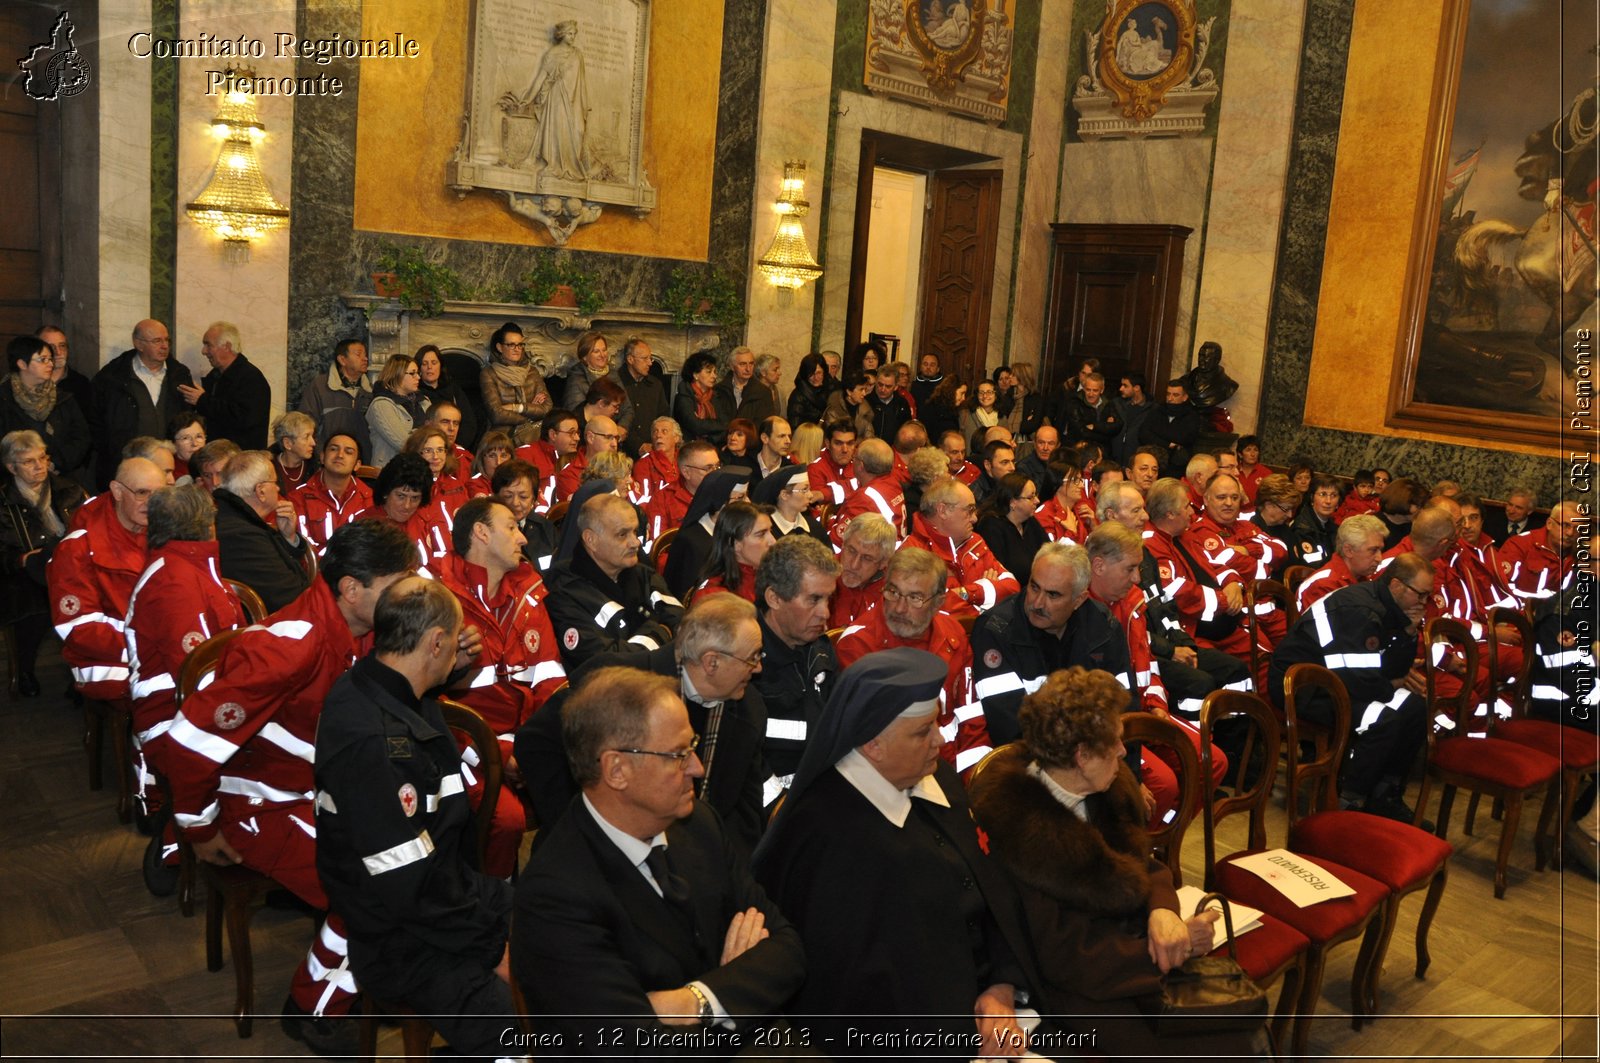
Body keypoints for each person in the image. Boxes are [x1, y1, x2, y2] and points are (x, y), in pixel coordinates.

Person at [159, 521, 454, 1053]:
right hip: (260, 802)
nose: (408, 595)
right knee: (378, 886)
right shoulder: (290, 648)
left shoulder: (360, 628)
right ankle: (313, 1005)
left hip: (316, 788)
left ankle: (380, 969)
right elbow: (185, 745)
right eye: (397, 584)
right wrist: (198, 828)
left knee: (417, 856)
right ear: (351, 589)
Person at [754, 648, 1037, 1058]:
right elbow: (851, 991)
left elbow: (993, 891)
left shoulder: (934, 776)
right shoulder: (825, 833)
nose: (939, 741)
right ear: (873, 745)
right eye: (923, 732)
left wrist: (1001, 986)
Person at [513, 665, 804, 1053]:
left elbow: (787, 951)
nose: (697, 768)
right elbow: (636, 1049)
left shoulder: (699, 824)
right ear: (617, 769)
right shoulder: (556, 895)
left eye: (693, 746)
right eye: (678, 755)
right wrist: (735, 987)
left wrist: (694, 1001)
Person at [967, 666, 1251, 1057]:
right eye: (1115, 742)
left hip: (1126, 958)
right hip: (1081, 987)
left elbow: (1142, 866)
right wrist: (1175, 948)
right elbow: (1067, 957)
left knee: (1228, 1035)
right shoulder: (1021, 832)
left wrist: (1163, 912)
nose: (1123, 751)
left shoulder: (1105, 790)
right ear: (1082, 756)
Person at [313, 576, 514, 1059]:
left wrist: (454, 665)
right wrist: (492, 947)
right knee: (525, 1027)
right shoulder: (375, 743)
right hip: (404, 941)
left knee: (566, 918)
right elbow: (409, 888)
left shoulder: (380, 685)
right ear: (435, 642)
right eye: (453, 643)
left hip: (446, 896)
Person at [124, 484, 246, 891]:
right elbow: (196, 677)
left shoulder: (185, 567)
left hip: (194, 707)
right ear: (205, 525)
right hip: (173, 721)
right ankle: (208, 843)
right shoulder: (175, 581)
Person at [438, 497, 566, 876]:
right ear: (480, 533)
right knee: (507, 820)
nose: (524, 538)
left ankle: (550, 902)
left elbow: (549, 677)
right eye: (511, 527)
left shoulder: (527, 592)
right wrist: (500, 751)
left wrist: (544, 742)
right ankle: (492, 913)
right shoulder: (439, 598)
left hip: (527, 741)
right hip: (465, 746)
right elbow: (428, 700)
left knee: (588, 789)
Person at [1270, 553, 1435, 821]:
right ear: (1396, 585)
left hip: (1341, 681)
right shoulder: (1360, 611)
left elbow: (1394, 671)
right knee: (1383, 721)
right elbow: (1358, 681)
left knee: (1415, 707)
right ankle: (1348, 803)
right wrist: (1391, 684)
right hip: (1305, 687)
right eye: (1421, 594)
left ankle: (1384, 794)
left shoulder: (1392, 607)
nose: (1424, 602)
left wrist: (1409, 632)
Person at [834, 548, 990, 775]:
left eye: (915, 597)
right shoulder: (858, 647)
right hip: (899, 774)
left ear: (938, 603)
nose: (899, 608)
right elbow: (881, 743)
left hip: (953, 768)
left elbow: (971, 714)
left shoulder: (952, 633)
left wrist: (974, 780)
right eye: (893, 592)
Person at [48, 457, 163, 702]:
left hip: (153, 644)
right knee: (176, 691)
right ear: (118, 491)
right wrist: (149, 644)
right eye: (142, 493)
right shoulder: (78, 546)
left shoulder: (163, 530)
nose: (152, 503)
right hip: (106, 657)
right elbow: (79, 628)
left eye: (159, 494)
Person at [547, 487, 683, 668]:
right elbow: (603, 661)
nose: (635, 542)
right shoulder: (563, 589)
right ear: (591, 540)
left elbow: (684, 625)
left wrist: (637, 644)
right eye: (622, 534)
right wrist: (660, 631)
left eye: (635, 532)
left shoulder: (642, 573)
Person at [752, 535, 840, 804]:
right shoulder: (744, 666)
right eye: (813, 599)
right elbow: (743, 765)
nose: (825, 613)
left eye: (828, 599)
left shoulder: (819, 649)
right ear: (774, 598)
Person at [0, 429, 86, 695]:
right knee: (36, 606)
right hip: (25, 573)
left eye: (42, 457)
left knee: (89, 601)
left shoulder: (70, 489)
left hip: (70, 566)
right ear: (11, 467)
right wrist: (18, 559)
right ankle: (24, 670)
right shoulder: (4, 502)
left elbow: (91, 529)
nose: (40, 466)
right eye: (29, 462)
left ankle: (83, 674)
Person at [91, 319, 194, 488]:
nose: (164, 346)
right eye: (157, 341)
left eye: (167, 340)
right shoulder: (112, 377)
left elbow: (188, 417)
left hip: (170, 464)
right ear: (138, 344)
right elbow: (95, 420)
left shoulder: (179, 375)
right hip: (126, 464)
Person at [211, 450, 313, 613]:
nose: (278, 487)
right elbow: (291, 597)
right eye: (275, 481)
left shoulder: (239, 520)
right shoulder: (242, 537)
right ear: (261, 491)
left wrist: (288, 537)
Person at [903, 475, 1018, 618]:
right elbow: (938, 608)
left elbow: (1012, 587)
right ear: (943, 511)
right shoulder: (912, 555)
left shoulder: (975, 541)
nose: (975, 518)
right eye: (969, 510)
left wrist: (972, 592)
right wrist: (987, 601)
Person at [1, 335, 91, 486]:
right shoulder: (4, 399)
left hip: (60, 481)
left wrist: (55, 463)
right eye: (43, 359)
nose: (50, 364)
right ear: (22, 364)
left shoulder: (63, 398)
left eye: (50, 359)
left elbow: (81, 437)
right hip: (12, 484)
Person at [178, 321, 271, 449]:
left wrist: (203, 400)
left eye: (208, 345)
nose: (203, 351)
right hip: (217, 457)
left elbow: (244, 418)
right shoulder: (215, 375)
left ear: (226, 347)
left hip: (241, 460)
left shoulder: (251, 378)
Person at [359, 452, 446, 570]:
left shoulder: (427, 518)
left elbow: (445, 559)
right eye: (401, 496)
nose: (407, 505)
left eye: (415, 498)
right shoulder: (365, 525)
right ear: (386, 492)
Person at [291, 432, 372, 554]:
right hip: (314, 570)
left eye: (348, 452)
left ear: (357, 465)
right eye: (334, 449)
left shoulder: (370, 498)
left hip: (359, 569)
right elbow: (299, 549)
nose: (340, 455)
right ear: (322, 457)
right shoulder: (297, 498)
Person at [297, 338, 373, 462]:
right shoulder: (320, 386)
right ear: (342, 360)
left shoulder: (370, 391)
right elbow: (305, 423)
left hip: (361, 463)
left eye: (365, 355)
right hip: (325, 460)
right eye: (358, 354)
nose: (365, 359)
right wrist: (318, 454)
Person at [1296, 512, 1387, 613]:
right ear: (1348, 551)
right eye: (1373, 550)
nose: (1379, 558)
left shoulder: (1362, 577)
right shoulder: (1322, 585)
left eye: (1381, 550)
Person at [480, 321, 552, 443]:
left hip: (533, 434)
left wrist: (517, 407)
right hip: (502, 436)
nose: (517, 349)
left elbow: (547, 408)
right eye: (511, 345)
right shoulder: (489, 373)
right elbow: (496, 414)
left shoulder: (532, 372)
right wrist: (531, 414)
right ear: (499, 347)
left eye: (520, 345)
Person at [692, 501, 774, 604]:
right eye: (761, 534)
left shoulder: (772, 575)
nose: (773, 541)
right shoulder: (713, 595)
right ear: (736, 544)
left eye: (771, 531)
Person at [975, 472, 1049, 587]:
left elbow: (1049, 551)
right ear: (1013, 503)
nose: (1037, 501)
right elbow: (1002, 572)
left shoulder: (1029, 521)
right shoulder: (991, 527)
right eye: (1031, 497)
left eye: (1036, 495)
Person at [1501, 500, 1580, 604]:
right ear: (1549, 524)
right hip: (1517, 613)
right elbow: (1502, 589)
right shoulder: (1519, 545)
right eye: (1565, 525)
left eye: (1577, 528)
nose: (1570, 533)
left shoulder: (1581, 555)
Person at [827, 438, 903, 544]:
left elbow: (838, 541)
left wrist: (830, 521)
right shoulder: (893, 482)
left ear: (861, 466)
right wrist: (824, 493)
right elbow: (853, 484)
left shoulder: (865, 499)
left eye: (855, 458)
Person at [492, 458, 559, 573]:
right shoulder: (488, 531)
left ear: (534, 498)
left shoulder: (545, 528)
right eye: (508, 496)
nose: (515, 503)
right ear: (496, 497)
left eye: (523, 497)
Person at [562, 331, 634, 432]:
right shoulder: (576, 378)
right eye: (596, 351)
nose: (602, 355)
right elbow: (575, 416)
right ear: (585, 357)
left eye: (604, 350)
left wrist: (622, 428)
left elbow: (627, 409)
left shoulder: (614, 374)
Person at [829, 512, 893, 627]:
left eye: (867, 558)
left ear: (883, 563)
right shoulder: (820, 576)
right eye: (851, 551)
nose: (854, 565)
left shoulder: (894, 589)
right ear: (843, 544)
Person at [414, 343, 480, 453]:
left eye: (434, 363)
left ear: (440, 365)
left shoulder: (453, 389)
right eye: (424, 364)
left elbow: (469, 423)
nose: (430, 367)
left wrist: (454, 447)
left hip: (456, 448)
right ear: (419, 369)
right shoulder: (415, 394)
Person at [366, 354, 428, 468]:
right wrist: (424, 434)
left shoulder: (424, 401)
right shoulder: (381, 405)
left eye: (418, 373)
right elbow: (404, 443)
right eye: (412, 373)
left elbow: (437, 435)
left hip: (421, 469)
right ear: (397, 375)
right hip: (390, 472)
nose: (418, 377)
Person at [1138, 379, 1205, 476]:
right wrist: (1168, 444)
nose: (1170, 398)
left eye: (1175, 395)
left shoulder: (1192, 416)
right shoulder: (1156, 411)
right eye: (1168, 394)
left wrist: (1157, 434)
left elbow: (1183, 438)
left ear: (1185, 397)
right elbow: (1143, 434)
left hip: (1176, 466)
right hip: (1154, 462)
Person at [617, 337, 667, 458]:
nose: (650, 363)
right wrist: (637, 445)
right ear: (630, 359)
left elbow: (663, 417)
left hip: (651, 450)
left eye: (650, 358)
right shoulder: (616, 383)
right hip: (622, 451)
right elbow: (615, 419)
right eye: (645, 359)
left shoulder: (655, 385)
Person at [752, 464, 827, 544]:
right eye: (804, 490)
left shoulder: (814, 527)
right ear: (784, 495)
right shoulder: (768, 531)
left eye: (809, 489)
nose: (810, 495)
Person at [38, 324, 94, 421]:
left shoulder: (81, 384)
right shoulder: (29, 380)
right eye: (51, 347)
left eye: (62, 346)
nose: (58, 352)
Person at [673, 351, 726, 445]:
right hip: (688, 447)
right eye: (709, 372)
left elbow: (725, 425)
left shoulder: (716, 396)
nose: (714, 376)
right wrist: (713, 426)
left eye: (714, 372)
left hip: (712, 445)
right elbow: (695, 426)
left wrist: (703, 425)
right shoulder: (684, 396)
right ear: (695, 375)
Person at [715, 346, 774, 424]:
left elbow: (766, 425)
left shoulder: (764, 392)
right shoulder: (718, 390)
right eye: (742, 364)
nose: (748, 369)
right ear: (732, 366)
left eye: (751, 364)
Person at [807, 419, 858, 506]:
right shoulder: (815, 469)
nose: (845, 450)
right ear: (827, 443)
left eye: (850, 443)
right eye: (838, 443)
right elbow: (819, 510)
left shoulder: (859, 466)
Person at [269, 411, 318, 493]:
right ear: (287, 443)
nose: (313, 443)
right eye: (306, 437)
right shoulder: (267, 468)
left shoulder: (316, 468)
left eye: (312, 436)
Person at [823, 368, 876, 440]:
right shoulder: (834, 411)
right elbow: (834, 438)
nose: (864, 393)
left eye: (865, 389)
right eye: (861, 389)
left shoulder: (865, 411)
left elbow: (869, 438)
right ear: (849, 392)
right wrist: (859, 440)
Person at [786, 353, 831, 428]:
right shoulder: (798, 396)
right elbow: (795, 425)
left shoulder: (831, 389)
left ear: (824, 372)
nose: (816, 378)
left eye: (819, 373)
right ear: (805, 375)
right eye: (811, 374)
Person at [465, 429, 513, 498]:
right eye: (492, 456)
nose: (498, 462)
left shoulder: (517, 482)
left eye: (503, 456)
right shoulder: (475, 484)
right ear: (482, 459)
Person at [960, 379, 1003, 443]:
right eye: (981, 392)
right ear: (977, 395)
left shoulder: (1002, 418)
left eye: (989, 392)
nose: (985, 396)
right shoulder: (965, 415)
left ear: (996, 395)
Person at [168, 412, 206, 484]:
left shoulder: (212, 468)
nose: (194, 443)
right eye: (185, 438)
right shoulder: (170, 473)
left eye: (199, 437)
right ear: (173, 443)